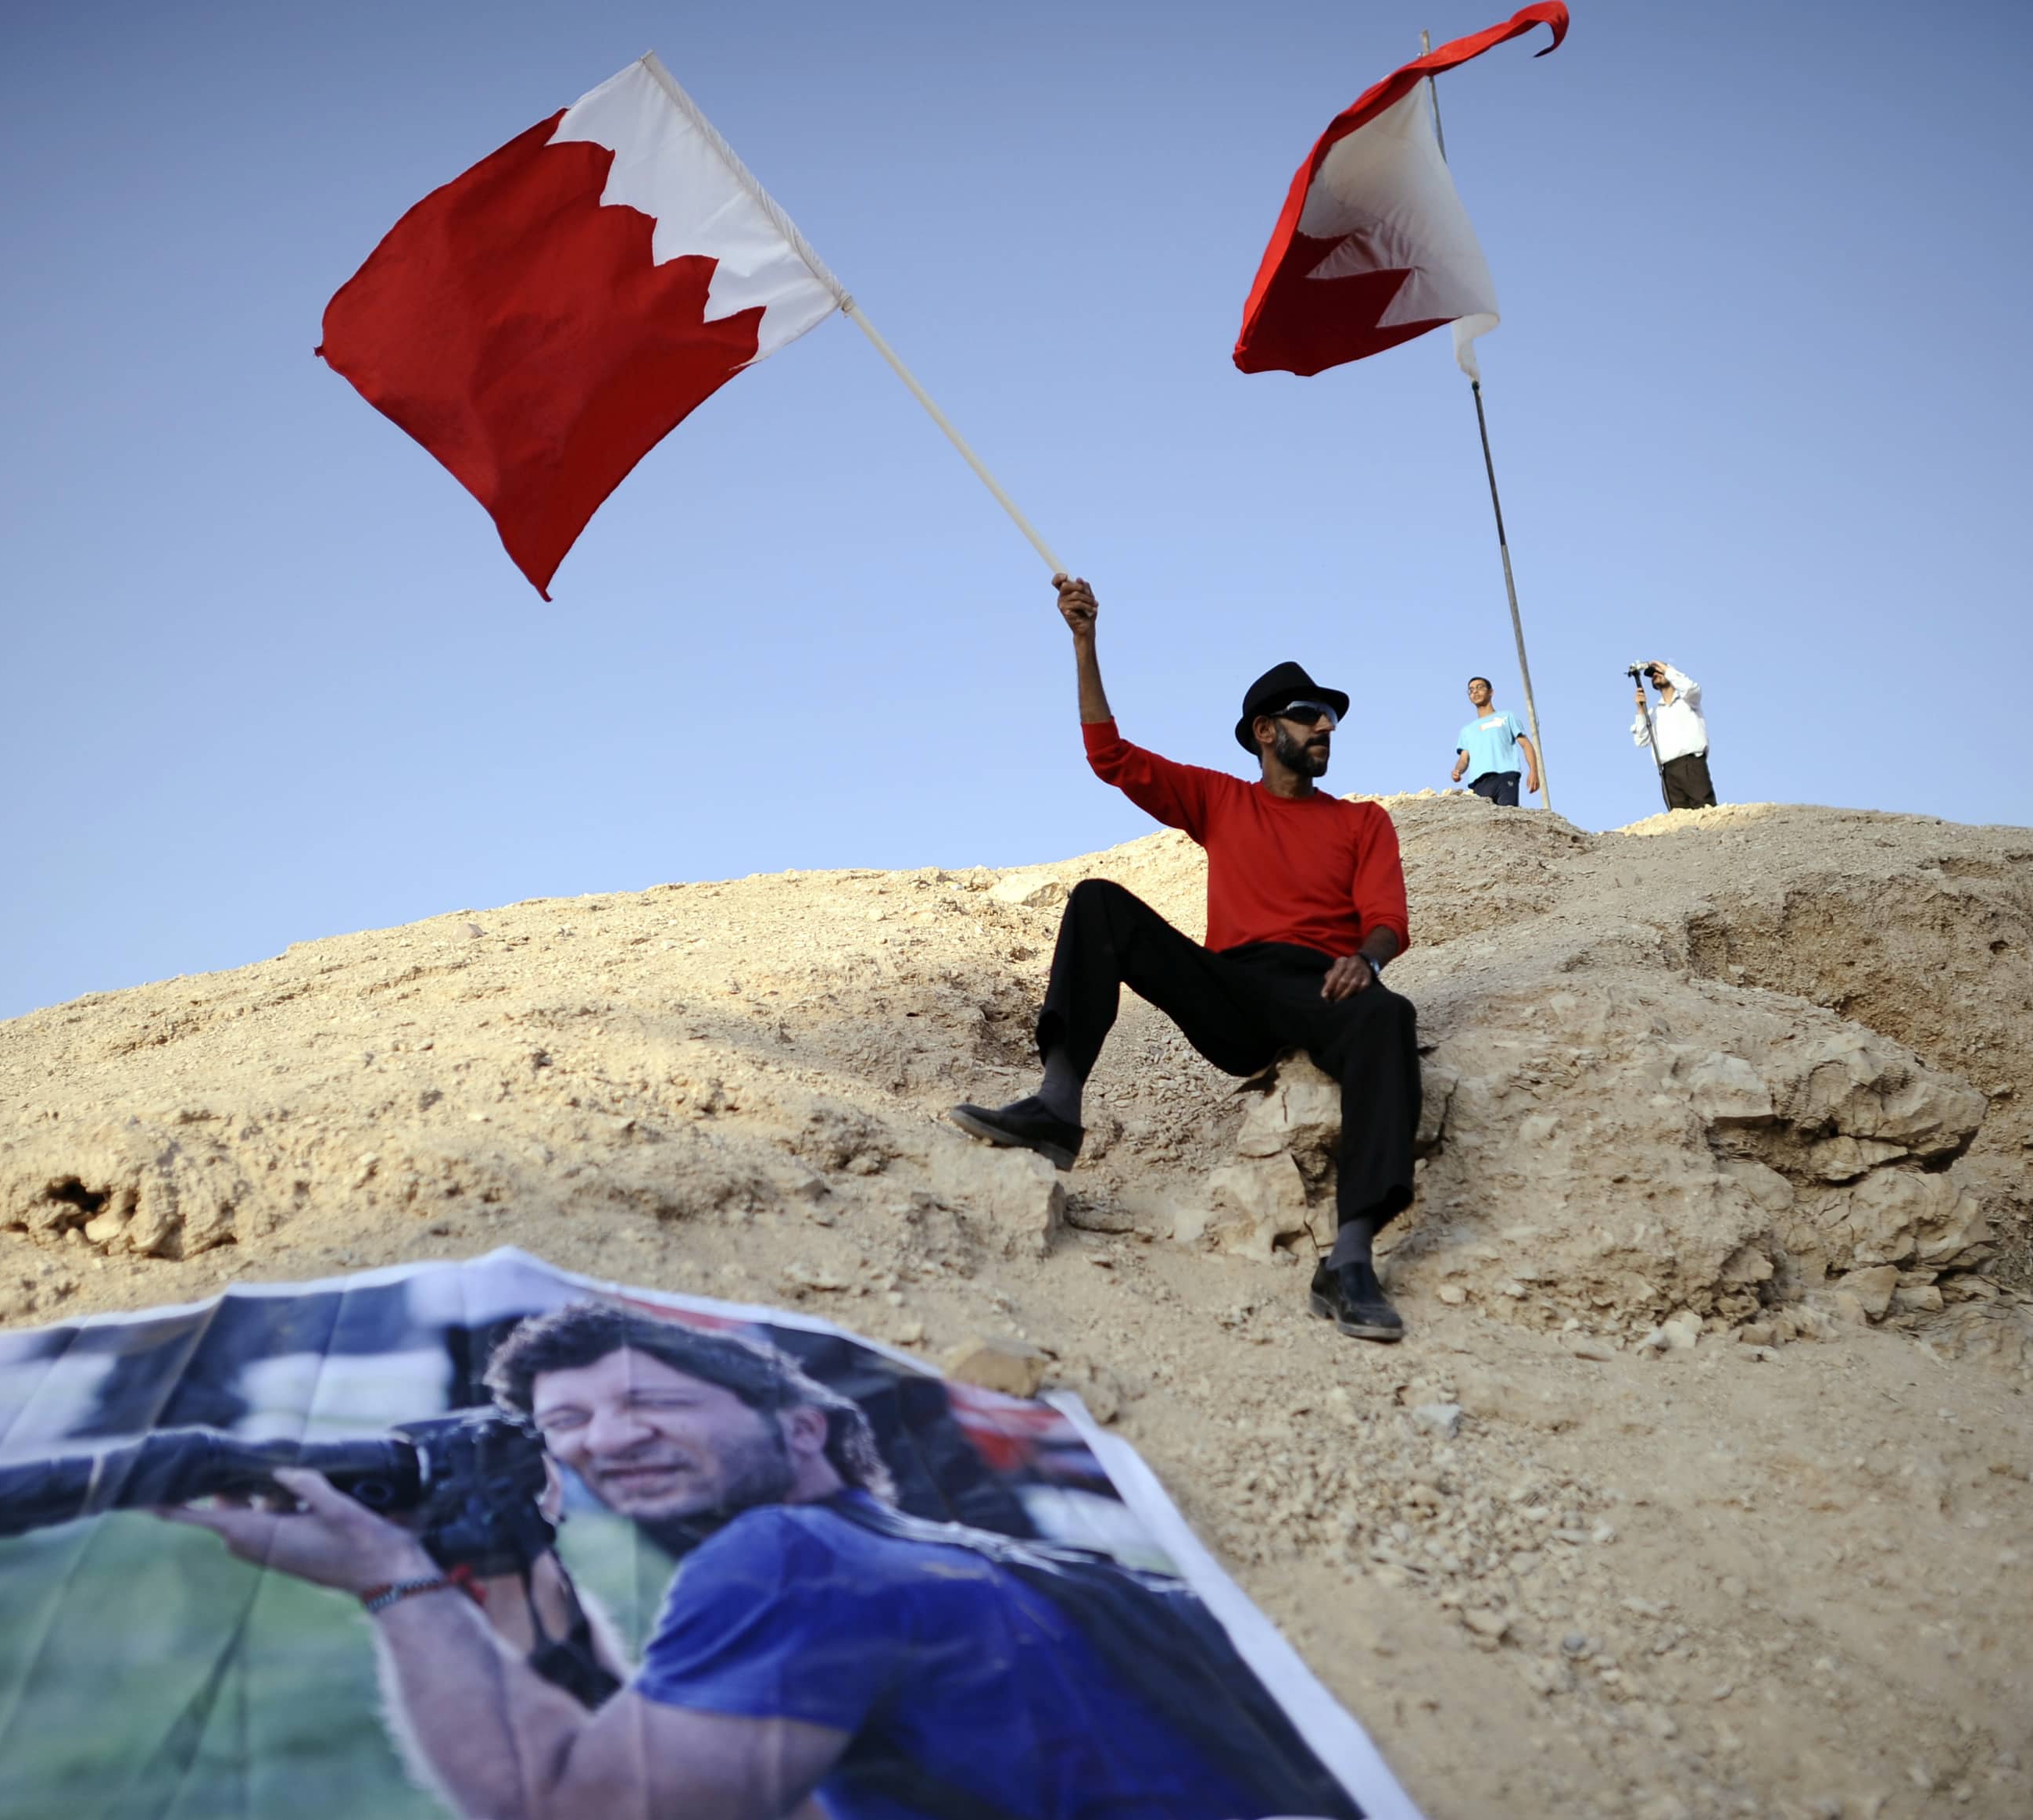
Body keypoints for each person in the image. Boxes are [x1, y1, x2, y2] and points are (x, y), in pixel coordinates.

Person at [160, 1302, 1356, 1820]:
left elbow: (572, 1806)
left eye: (647, 1402)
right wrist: (514, 1573)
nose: (605, 1441)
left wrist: (393, 1579)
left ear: (797, 1426)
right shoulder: (939, 1558)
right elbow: (708, 1772)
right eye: (566, 1429)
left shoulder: (785, 1560)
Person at [945, 576, 1419, 1343]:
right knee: (1098, 900)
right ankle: (1057, 1106)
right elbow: (1109, 756)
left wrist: (1364, 961)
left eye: (1330, 717)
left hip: (1317, 985)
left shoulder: (1363, 823)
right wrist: (1084, 643)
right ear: (1266, 731)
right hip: (1229, 989)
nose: (1326, 727)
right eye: (1311, 716)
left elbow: (1387, 920)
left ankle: (1351, 1258)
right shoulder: (1219, 800)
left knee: (1388, 1015)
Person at [1630, 660, 1715, 810]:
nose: (1656, 674)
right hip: (1668, 771)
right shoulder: (1654, 713)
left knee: (1705, 810)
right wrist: (1640, 709)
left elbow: (1691, 689)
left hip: (1692, 764)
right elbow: (1641, 740)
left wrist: (1666, 668)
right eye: (1652, 674)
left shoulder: (1688, 700)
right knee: (1679, 819)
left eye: (1659, 672)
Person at [1448, 676, 1540, 806]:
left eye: (1480, 687)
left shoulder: (1507, 716)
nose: (1475, 692)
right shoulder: (1467, 731)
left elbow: (1526, 745)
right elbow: (1464, 759)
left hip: (1506, 775)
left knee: (1507, 818)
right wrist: (1458, 770)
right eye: (1471, 690)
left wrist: (1534, 771)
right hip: (1479, 783)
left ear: (1491, 692)